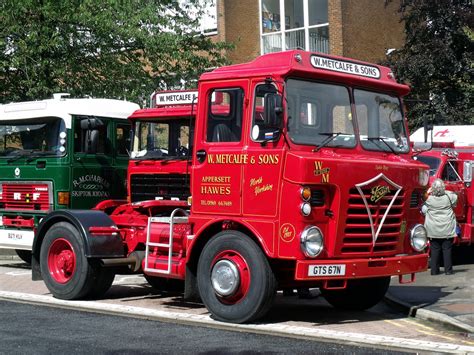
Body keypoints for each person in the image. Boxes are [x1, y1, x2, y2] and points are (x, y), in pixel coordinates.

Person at [422, 178, 458, 275]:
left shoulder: (429, 200)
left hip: (433, 230)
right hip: (447, 229)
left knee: (434, 250)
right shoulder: (449, 197)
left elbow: (423, 209)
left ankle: (434, 271)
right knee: (447, 250)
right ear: (443, 188)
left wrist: (428, 191)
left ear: (433, 189)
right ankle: (448, 270)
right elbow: (455, 197)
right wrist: (444, 190)